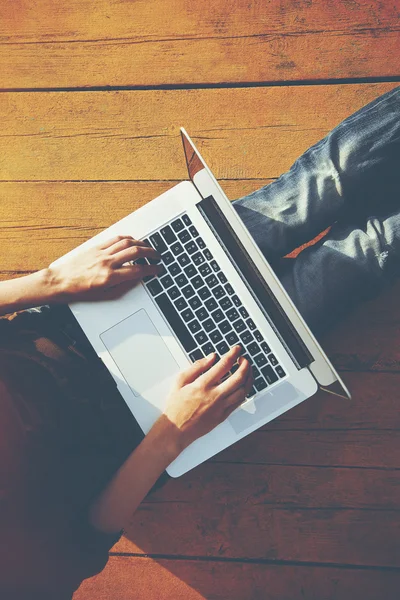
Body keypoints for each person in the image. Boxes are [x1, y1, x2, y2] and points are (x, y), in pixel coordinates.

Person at [0, 85, 399, 599]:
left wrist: (53, 281)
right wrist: (173, 432)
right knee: (369, 252)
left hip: (85, 312)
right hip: (164, 410)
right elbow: (87, 539)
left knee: (323, 181)